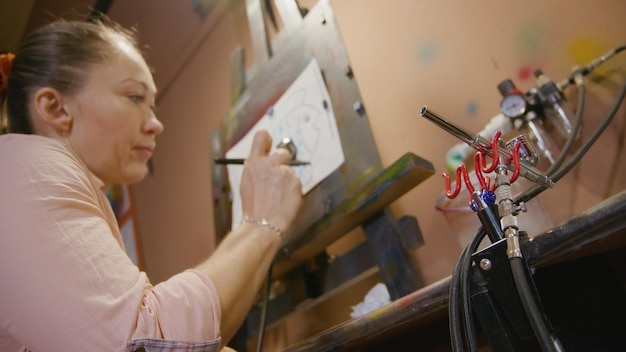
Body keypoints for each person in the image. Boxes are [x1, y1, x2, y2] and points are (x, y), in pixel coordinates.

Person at [0, 17, 302, 352]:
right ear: (55, 108)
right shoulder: (23, 165)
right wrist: (263, 223)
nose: (156, 123)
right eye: (134, 96)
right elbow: (145, 340)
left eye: (153, 104)